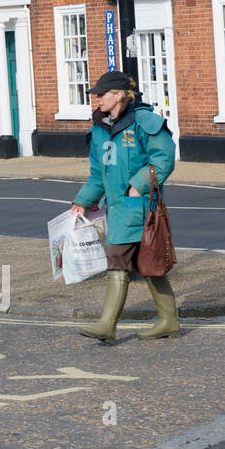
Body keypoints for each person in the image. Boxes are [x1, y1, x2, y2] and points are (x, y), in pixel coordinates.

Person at [70, 70, 179, 342]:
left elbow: (163, 159)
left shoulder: (145, 121)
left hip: (142, 206)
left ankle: (107, 325)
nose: (97, 99)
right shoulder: (99, 128)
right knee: (147, 262)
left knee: (118, 257)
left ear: (119, 95)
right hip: (116, 208)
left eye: (101, 94)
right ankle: (169, 320)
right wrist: (82, 201)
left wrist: (137, 185)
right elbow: (98, 173)